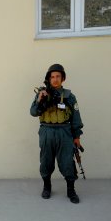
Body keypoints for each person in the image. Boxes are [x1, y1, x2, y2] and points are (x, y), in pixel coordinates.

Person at [30, 64, 83, 204]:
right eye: (52, 77)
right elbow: (33, 112)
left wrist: (77, 137)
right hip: (47, 131)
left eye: (58, 76)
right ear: (49, 78)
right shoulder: (42, 93)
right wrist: (40, 99)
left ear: (63, 78)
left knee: (67, 161)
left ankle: (71, 189)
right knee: (46, 160)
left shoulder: (70, 97)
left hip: (64, 132)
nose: (55, 79)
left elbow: (76, 118)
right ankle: (47, 186)